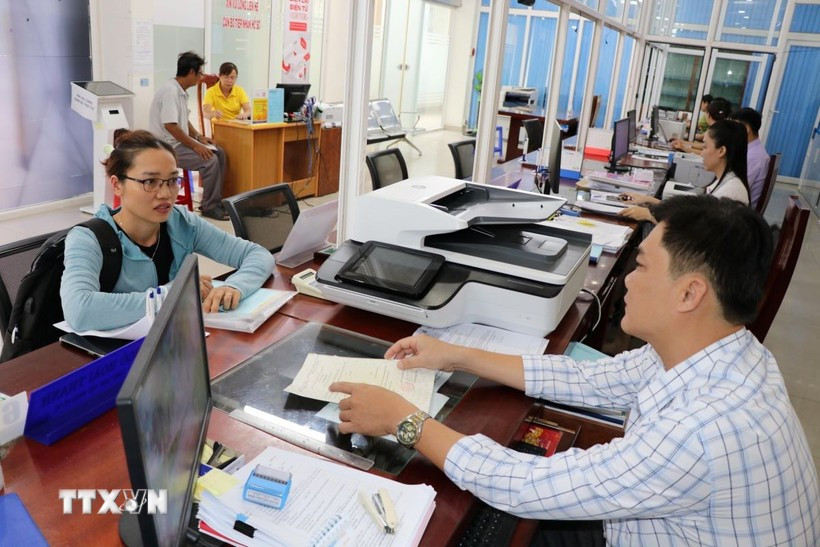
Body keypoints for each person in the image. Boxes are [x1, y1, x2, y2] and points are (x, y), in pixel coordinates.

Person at [330, 194, 819, 545]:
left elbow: (526, 487)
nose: (627, 277)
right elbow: (587, 379)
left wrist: (404, 420)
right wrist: (456, 354)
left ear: (690, 293)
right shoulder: (724, 352)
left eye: (643, 266)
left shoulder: (705, 431)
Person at [61, 129, 275, 332]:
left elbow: (257, 255)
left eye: (173, 181)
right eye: (150, 181)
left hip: (173, 345)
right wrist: (174, 294)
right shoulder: (88, 238)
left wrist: (236, 286)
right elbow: (79, 310)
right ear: (117, 185)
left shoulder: (182, 223)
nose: (165, 194)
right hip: (113, 359)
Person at [149, 51, 229, 221]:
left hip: (177, 142)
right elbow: (170, 126)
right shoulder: (170, 91)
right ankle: (209, 207)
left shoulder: (180, 91)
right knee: (210, 160)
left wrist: (199, 137)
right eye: (200, 73)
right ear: (192, 72)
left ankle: (215, 200)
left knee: (220, 153)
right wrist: (195, 146)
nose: (201, 77)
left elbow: (183, 121)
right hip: (166, 146)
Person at [620, 119, 750, 222]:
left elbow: (694, 236)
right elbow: (691, 214)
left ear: (721, 151)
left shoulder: (732, 191)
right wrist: (649, 200)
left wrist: (651, 215)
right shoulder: (723, 181)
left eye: (705, 147)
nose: (702, 153)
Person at [729, 107, 771, 209]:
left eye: (733, 128)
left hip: (739, 214)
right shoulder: (752, 151)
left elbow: (735, 190)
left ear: (746, 129)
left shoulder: (753, 157)